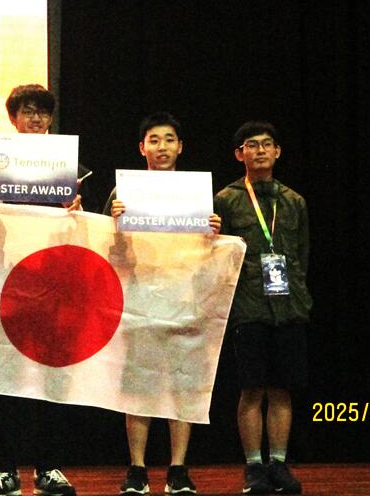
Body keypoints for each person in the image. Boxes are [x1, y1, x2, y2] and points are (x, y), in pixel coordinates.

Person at [0, 85, 83, 496]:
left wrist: (77, 212)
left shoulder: (69, 168)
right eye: (27, 111)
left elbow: (85, 233)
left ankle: (48, 467)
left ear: (50, 119)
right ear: (13, 118)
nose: (35, 119)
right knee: (2, 382)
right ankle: (4, 469)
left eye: (42, 113)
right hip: (4, 288)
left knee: (53, 383)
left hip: (54, 290)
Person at [104, 112, 221, 496]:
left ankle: (178, 469)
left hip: (184, 301)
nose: (162, 147)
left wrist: (213, 234)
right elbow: (108, 252)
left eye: (169, 139)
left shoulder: (196, 195)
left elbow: (208, 255)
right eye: (154, 140)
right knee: (139, 387)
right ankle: (137, 469)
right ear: (142, 148)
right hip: (139, 301)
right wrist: (114, 225)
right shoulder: (122, 194)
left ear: (180, 146)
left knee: (182, 387)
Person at [213, 121, 309, 495]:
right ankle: (254, 466)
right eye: (251, 145)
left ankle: (279, 464)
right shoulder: (226, 199)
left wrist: (297, 293)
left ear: (278, 151)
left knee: (282, 389)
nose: (260, 151)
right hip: (248, 305)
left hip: (288, 305)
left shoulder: (294, 201)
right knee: (251, 389)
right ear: (240, 154)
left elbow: (302, 254)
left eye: (267, 144)